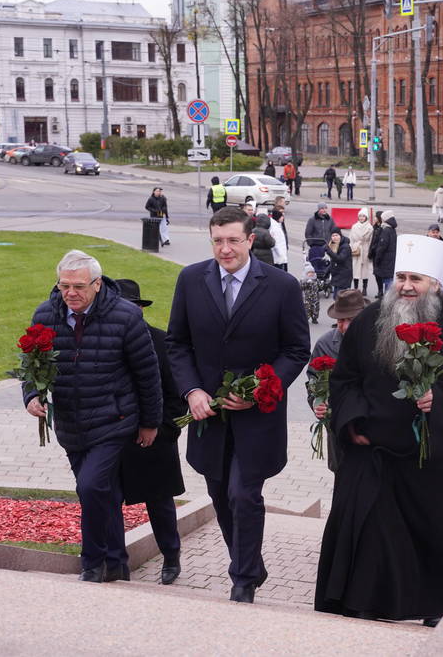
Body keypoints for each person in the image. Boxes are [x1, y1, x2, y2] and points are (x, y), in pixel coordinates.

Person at [315, 234, 443, 625]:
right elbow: (345, 379)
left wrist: (442, 399)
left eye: (416, 278)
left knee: (432, 535)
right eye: (401, 277)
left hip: (428, 460)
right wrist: (354, 424)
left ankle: (433, 608)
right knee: (368, 537)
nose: (406, 286)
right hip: (373, 452)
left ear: (435, 283)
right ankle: (363, 603)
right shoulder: (370, 321)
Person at [166, 207, 310, 603]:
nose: (224, 249)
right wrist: (192, 390)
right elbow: (176, 343)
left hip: (258, 417)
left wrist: (263, 388)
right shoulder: (191, 279)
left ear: (250, 240)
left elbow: (297, 349)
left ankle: (243, 580)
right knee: (219, 493)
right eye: (217, 240)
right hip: (208, 415)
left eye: (232, 240)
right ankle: (249, 563)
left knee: (243, 494)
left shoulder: (281, 286)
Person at [23, 250, 162, 582]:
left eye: (79, 286)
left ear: (98, 284)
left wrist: (149, 422)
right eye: (64, 285)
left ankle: (92, 562)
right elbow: (32, 362)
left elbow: (147, 373)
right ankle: (117, 564)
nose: (71, 293)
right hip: (71, 424)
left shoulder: (126, 317)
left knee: (90, 487)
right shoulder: (45, 314)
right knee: (105, 493)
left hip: (114, 421)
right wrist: (31, 395)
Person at [115, 279, 186, 585]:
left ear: (140, 309)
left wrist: (162, 429)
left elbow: (177, 394)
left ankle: (171, 557)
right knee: (108, 501)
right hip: (116, 438)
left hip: (156, 437)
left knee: (160, 502)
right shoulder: (108, 340)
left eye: (132, 307)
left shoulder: (161, 342)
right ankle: (115, 560)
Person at [307, 289, 370, 472]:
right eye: (341, 320)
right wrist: (317, 403)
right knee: (342, 473)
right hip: (338, 425)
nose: (344, 326)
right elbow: (312, 380)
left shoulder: (377, 340)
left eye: (350, 320)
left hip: (370, 423)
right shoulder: (325, 344)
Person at [372, 209, 397, 295]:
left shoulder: (386, 230)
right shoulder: (392, 229)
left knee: (387, 283)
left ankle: (387, 302)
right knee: (389, 280)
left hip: (385, 261)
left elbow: (382, 247)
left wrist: (377, 259)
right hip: (391, 260)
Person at [349, 208, 373, 296]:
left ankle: (364, 288)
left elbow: (371, 240)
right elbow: (351, 238)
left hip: (365, 249)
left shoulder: (370, 227)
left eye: (363, 216)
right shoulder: (354, 226)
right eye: (360, 216)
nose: (361, 218)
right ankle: (356, 288)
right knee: (356, 270)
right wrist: (352, 248)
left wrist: (370, 252)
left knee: (365, 270)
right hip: (357, 249)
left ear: (366, 217)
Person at [325, 230, 353, 298]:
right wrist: (327, 271)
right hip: (337, 276)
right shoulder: (334, 245)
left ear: (340, 236)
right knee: (336, 298)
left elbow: (340, 259)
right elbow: (333, 261)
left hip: (344, 276)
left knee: (340, 299)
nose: (335, 237)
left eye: (336, 235)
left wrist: (329, 251)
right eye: (333, 236)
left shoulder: (345, 247)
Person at [368, 211, 385, 298]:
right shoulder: (375, 227)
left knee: (379, 273)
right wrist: (370, 252)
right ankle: (380, 291)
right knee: (376, 274)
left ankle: (381, 291)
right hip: (374, 254)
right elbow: (372, 241)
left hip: (379, 254)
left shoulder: (383, 228)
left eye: (375, 217)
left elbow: (378, 243)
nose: (374, 218)